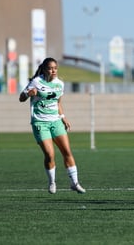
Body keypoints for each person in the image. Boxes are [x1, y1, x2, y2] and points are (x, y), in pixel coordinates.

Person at [19, 57, 85, 194]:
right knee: (50, 155)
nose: (53, 70)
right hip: (40, 123)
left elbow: (58, 103)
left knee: (67, 152)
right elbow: (21, 98)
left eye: (55, 68)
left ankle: (75, 183)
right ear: (44, 69)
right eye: (50, 68)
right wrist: (27, 94)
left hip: (55, 121)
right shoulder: (36, 82)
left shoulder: (59, 84)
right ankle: (52, 182)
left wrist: (63, 117)